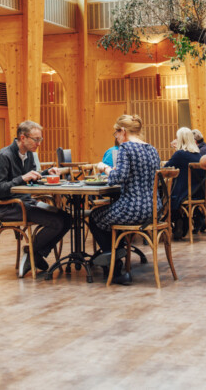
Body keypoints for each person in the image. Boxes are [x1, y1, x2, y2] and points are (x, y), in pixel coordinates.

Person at [0, 120, 71, 277]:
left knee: (67, 218)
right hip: (9, 207)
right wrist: (22, 177)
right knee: (57, 221)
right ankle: (34, 254)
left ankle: (34, 253)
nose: (39, 143)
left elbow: (33, 178)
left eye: (40, 139)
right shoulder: (3, 156)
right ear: (23, 138)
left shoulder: (28, 155)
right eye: (36, 139)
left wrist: (48, 172)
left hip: (27, 203)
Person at [88, 114, 161, 286]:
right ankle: (118, 253)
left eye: (116, 134)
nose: (117, 138)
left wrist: (104, 168)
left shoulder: (126, 148)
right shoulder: (152, 149)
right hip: (154, 209)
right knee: (109, 216)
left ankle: (115, 268)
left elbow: (116, 179)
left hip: (132, 208)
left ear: (122, 131)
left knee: (95, 217)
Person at [165, 127, 203, 240]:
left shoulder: (180, 154)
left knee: (166, 198)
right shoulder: (198, 154)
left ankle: (179, 220)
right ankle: (187, 218)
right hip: (199, 192)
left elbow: (165, 168)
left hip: (185, 192)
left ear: (180, 139)